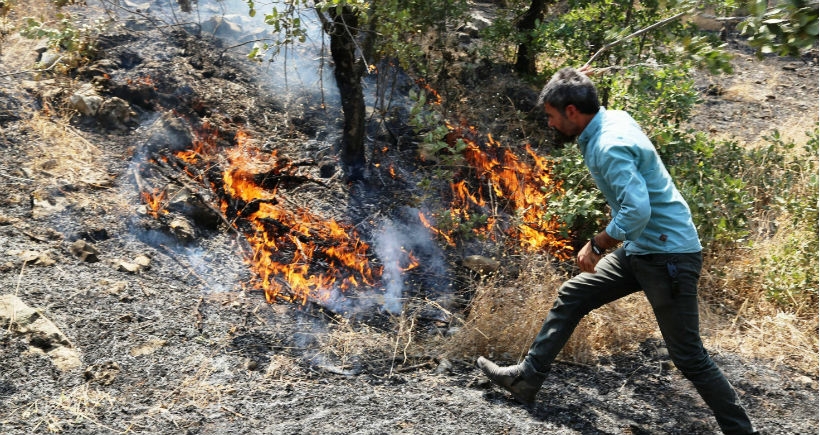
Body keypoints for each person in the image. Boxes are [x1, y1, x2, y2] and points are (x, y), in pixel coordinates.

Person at [476, 67, 759, 435]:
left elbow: (637, 211)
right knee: (574, 294)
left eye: (551, 116)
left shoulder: (610, 145)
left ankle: (741, 431)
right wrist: (576, 76)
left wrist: (597, 244)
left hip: (668, 255)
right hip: (644, 248)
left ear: (573, 111)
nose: (549, 124)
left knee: (689, 357)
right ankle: (527, 379)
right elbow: (587, 102)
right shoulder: (612, 117)